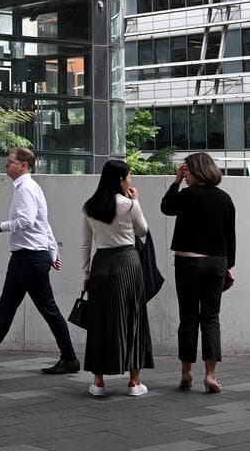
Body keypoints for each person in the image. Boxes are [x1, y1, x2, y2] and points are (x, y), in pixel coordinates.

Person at [0, 146, 79, 375]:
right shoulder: (29, 188)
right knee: (7, 309)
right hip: (25, 258)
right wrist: (53, 252)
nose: (6, 164)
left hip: (30, 259)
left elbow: (26, 221)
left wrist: (0, 227)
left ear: (23, 166)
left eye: (11, 161)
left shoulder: (26, 189)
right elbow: (44, 224)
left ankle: (70, 359)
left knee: (48, 310)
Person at [161, 152, 236, 393]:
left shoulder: (186, 195)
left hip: (188, 262)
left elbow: (166, 207)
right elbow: (230, 236)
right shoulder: (225, 199)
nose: (184, 176)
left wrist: (175, 182)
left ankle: (187, 373)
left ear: (195, 172)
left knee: (189, 317)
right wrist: (229, 266)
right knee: (211, 318)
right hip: (216, 263)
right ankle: (211, 376)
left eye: (186, 172)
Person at [81, 159, 154, 397]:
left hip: (101, 264)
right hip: (127, 263)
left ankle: (98, 382)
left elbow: (86, 244)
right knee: (133, 317)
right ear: (121, 179)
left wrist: (86, 273)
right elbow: (142, 231)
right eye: (129, 176)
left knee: (99, 320)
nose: (130, 180)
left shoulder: (90, 206)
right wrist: (136, 201)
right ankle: (134, 383)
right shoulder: (129, 205)